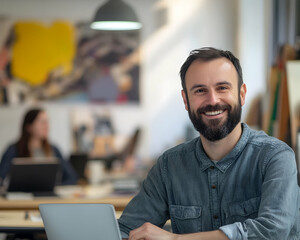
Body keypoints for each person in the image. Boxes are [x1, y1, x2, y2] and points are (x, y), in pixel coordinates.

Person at [118, 47, 300, 239]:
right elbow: (124, 231)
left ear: (242, 94)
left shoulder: (275, 156)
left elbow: (272, 232)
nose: (212, 100)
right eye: (200, 91)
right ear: (186, 100)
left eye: (222, 88)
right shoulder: (168, 167)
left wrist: (175, 239)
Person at [0, 108, 77, 185]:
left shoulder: (54, 150)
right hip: (22, 195)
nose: (46, 126)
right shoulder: (13, 150)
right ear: (29, 127)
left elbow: (72, 177)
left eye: (47, 122)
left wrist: (54, 187)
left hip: (48, 195)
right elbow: (1, 178)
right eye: (42, 122)